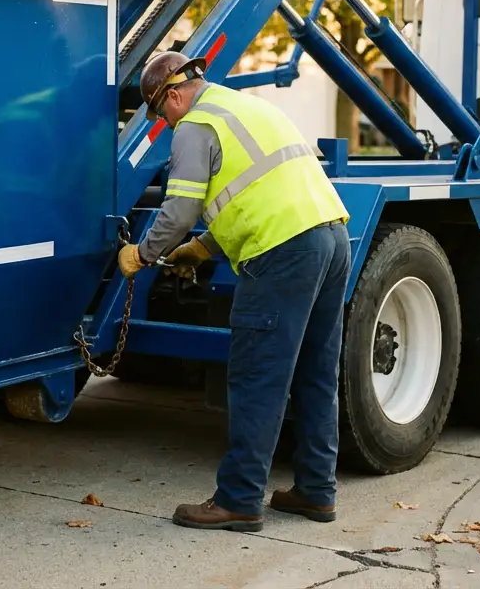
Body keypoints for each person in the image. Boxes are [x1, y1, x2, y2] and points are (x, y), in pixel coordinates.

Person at [116, 50, 351, 532]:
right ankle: (316, 491)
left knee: (256, 376)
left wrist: (142, 254)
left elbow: (179, 208)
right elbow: (254, 188)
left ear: (174, 95)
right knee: (315, 371)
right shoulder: (245, 106)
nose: (164, 122)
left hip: (281, 252)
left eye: (161, 112)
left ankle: (240, 499)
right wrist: (201, 249)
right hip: (330, 237)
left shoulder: (194, 126)